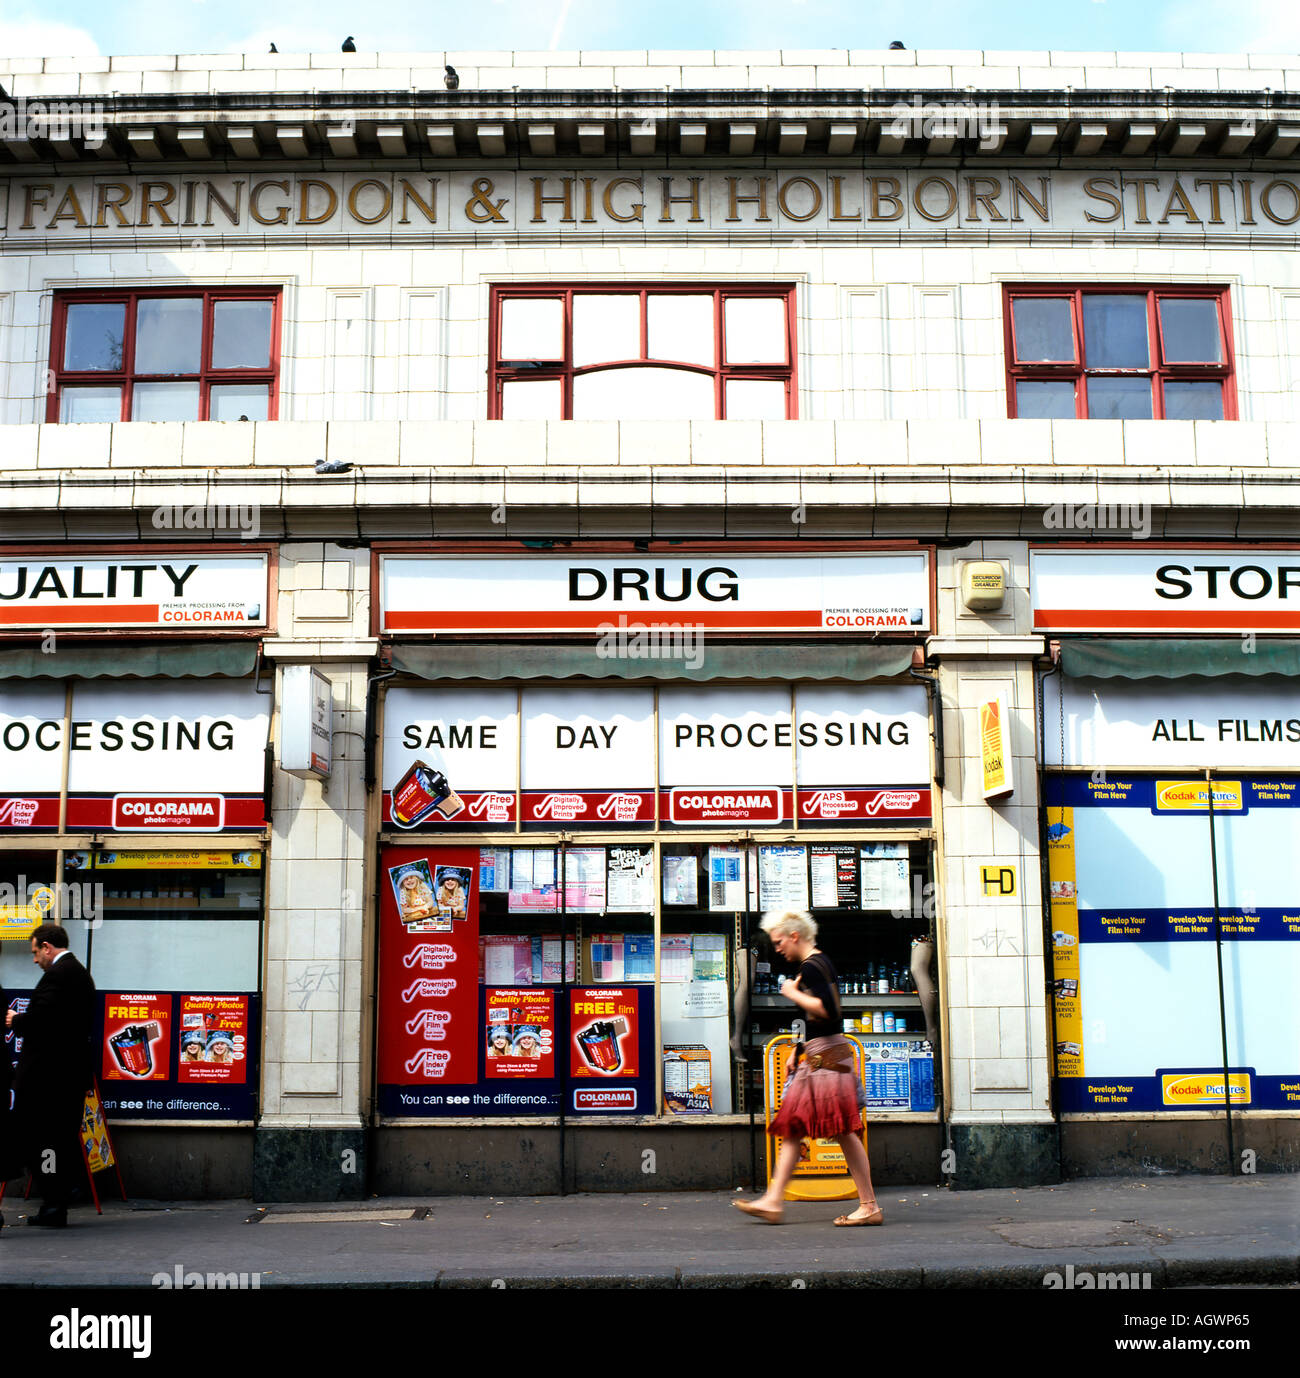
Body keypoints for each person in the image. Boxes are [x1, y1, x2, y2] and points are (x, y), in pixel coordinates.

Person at [733, 910, 883, 1227]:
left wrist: (792, 993)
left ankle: (869, 1205)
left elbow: (827, 1010)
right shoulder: (817, 964)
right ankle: (774, 1201)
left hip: (827, 1056)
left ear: (794, 936)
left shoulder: (812, 966)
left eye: (778, 942)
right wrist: (798, 1050)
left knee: (839, 1130)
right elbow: (817, 1016)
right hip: (822, 1053)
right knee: (796, 1127)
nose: (777, 949)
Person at [5, 924, 96, 1228]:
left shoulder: (61, 974)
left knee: (45, 1142)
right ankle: (56, 1200)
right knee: (54, 1141)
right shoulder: (75, 973)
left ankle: (55, 1202)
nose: (34, 960)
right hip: (62, 1078)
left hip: (51, 1081)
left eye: (35, 952)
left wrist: (17, 1019)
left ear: (47, 947)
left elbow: (45, 1020)